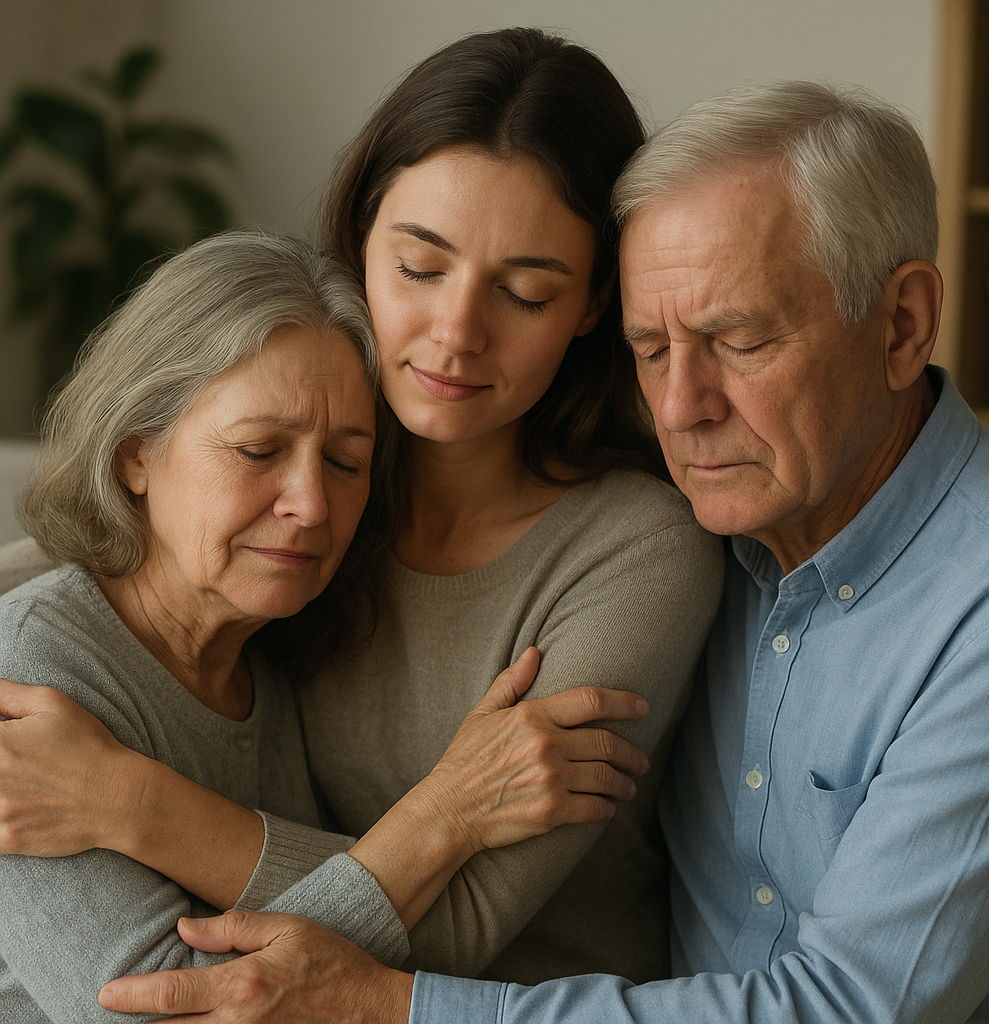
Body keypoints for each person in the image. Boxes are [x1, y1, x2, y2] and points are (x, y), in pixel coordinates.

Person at [90, 79, 989, 1024]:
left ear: (903, 324)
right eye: (651, 349)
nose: (680, 409)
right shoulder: (739, 512)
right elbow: (126, 547)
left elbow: (845, 1010)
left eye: (738, 340)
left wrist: (377, 1002)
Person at [0, 26, 722, 989]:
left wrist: (134, 803)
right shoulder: (316, 524)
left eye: (524, 292)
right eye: (421, 268)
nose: (456, 334)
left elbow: (461, 926)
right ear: (360, 244)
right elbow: (104, 581)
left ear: (593, 304)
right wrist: (446, 812)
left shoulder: (637, 551)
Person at [0, 229, 656, 1024]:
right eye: (257, 450)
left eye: (345, 464)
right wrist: (443, 813)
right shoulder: (26, 680)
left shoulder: (273, 659)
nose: (311, 506)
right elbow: (164, 1015)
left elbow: (319, 947)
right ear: (136, 455)